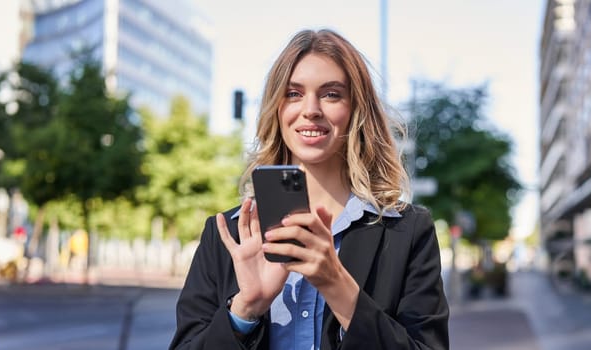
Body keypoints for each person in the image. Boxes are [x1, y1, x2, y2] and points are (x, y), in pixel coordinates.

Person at [169, 29, 449, 350]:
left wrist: (337, 285)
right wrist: (245, 310)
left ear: (356, 110)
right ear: (277, 108)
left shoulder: (408, 231)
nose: (311, 109)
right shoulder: (230, 235)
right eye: (293, 93)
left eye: (331, 94)